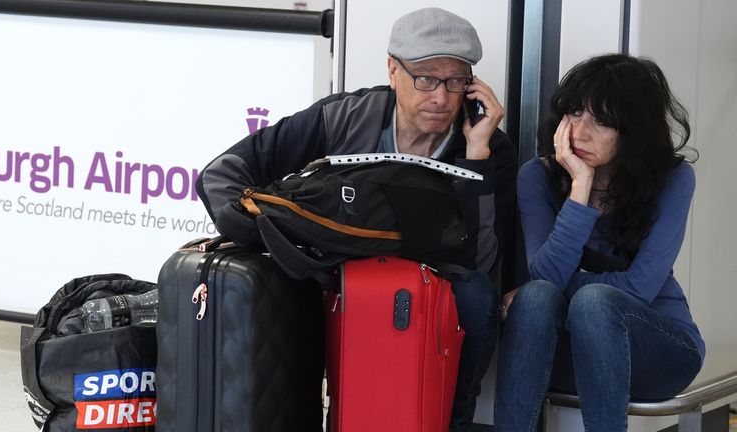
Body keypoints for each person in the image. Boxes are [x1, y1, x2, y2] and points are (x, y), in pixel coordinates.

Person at [197, 7, 517, 431]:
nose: (440, 97)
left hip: (429, 290)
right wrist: (263, 235)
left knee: (476, 297)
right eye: (425, 78)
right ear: (392, 70)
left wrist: (477, 158)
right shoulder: (345, 116)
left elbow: (481, 260)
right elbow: (221, 173)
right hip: (340, 273)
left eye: (455, 80)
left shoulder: (489, 147)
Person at [494, 53, 704, 431]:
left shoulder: (673, 180)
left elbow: (640, 289)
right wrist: (580, 187)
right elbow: (545, 277)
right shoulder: (537, 177)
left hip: (658, 353)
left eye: (602, 121)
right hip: (569, 356)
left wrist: (565, 285)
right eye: (574, 113)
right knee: (537, 297)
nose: (580, 132)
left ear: (634, 131)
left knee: (586, 301)